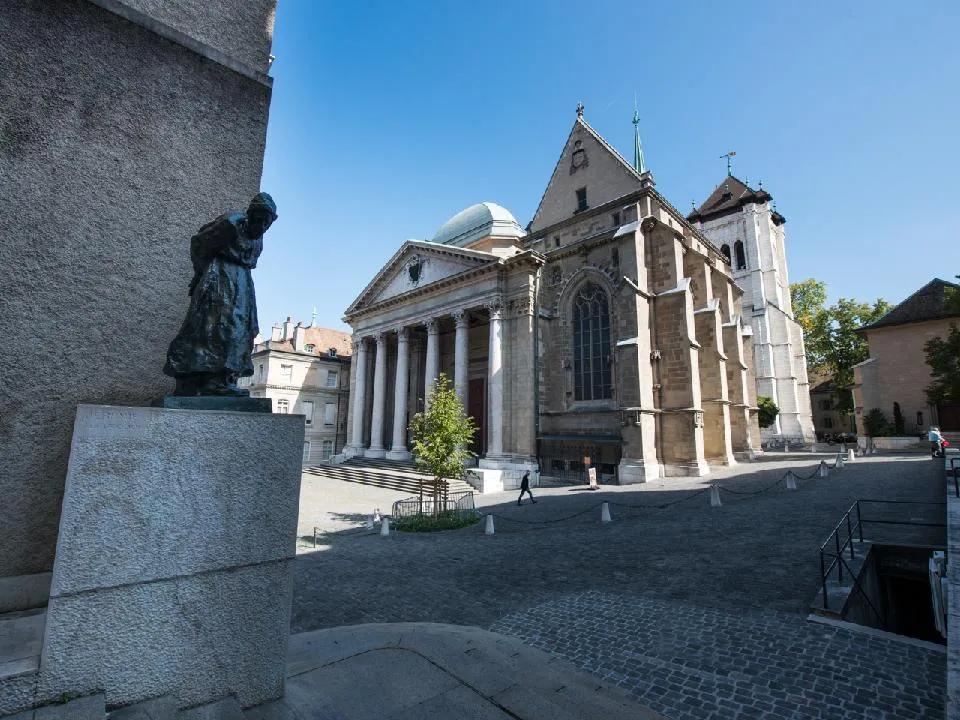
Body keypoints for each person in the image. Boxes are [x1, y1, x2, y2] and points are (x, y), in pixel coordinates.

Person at [164, 192, 278, 396]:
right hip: (220, 276)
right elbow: (199, 244)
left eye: (266, 224)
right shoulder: (231, 224)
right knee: (217, 327)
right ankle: (208, 380)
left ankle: (224, 378)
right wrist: (201, 275)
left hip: (243, 282)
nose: (261, 227)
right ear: (250, 214)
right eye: (258, 220)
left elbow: (249, 261)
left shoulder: (259, 237)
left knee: (244, 328)